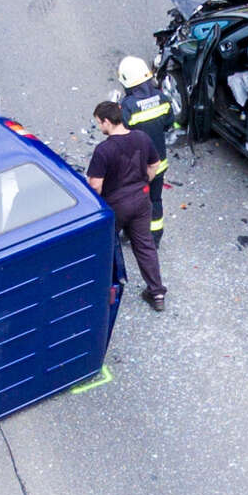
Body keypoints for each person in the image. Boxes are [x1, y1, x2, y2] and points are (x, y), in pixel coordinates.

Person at [88, 100, 165, 311]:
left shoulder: (103, 150)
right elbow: (155, 164)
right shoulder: (141, 137)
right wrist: (144, 183)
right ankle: (157, 293)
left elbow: (95, 185)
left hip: (116, 205)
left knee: (105, 246)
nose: (99, 128)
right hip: (141, 199)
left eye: (99, 123)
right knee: (145, 245)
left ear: (106, 121)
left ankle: (103, 291)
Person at [117, 56, 175, 244]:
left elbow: (121, 134)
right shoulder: (162, 98)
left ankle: (131, 234)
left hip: (137, 167)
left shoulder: (128, 106)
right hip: (158, 164)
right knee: (155, 200)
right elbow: (168, 124)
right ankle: (154, 237)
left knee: (133, 202)